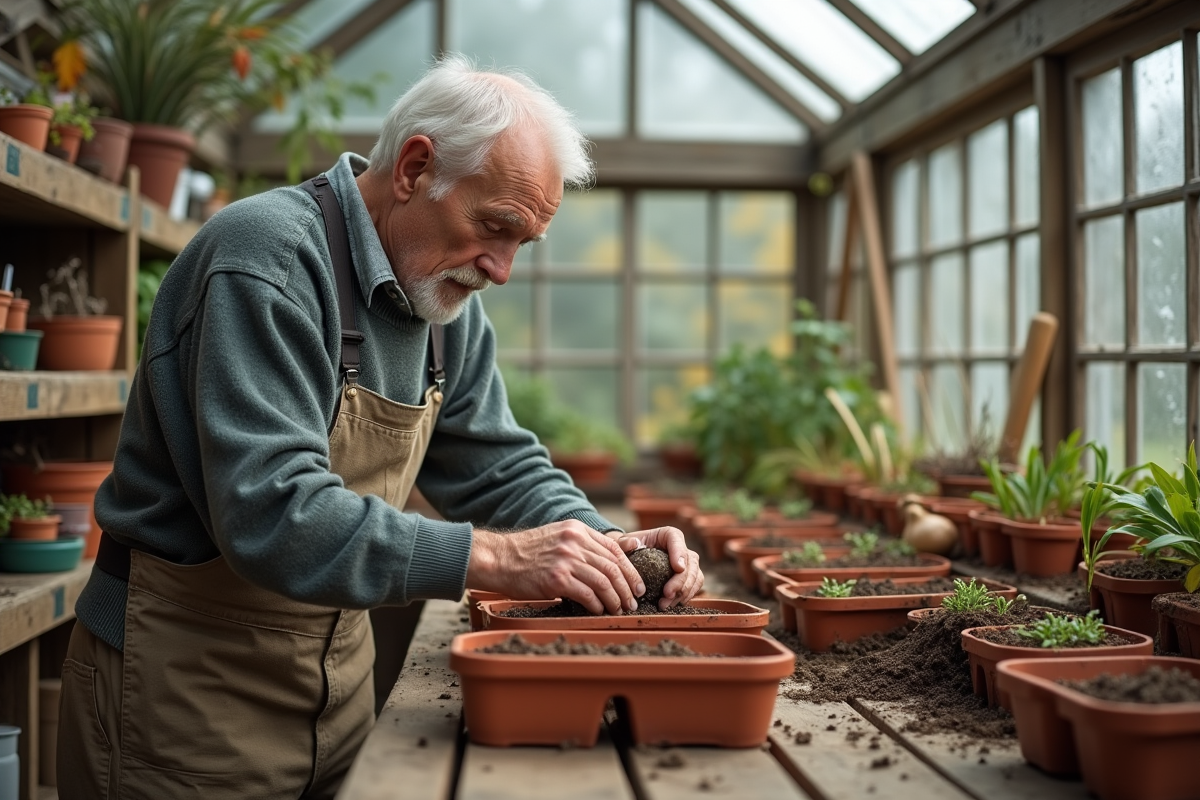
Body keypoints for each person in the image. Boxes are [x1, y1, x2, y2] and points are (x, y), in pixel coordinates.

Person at [57, 54, 703, 800]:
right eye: (495, 228)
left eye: (522, 244)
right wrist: (494, 558)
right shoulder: (267, 260)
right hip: (182, 694)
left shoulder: (443, 301)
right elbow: (272, 512)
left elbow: (496, 465)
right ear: (415, 168)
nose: (501, 270)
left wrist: (601, 544)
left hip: (340, 691)